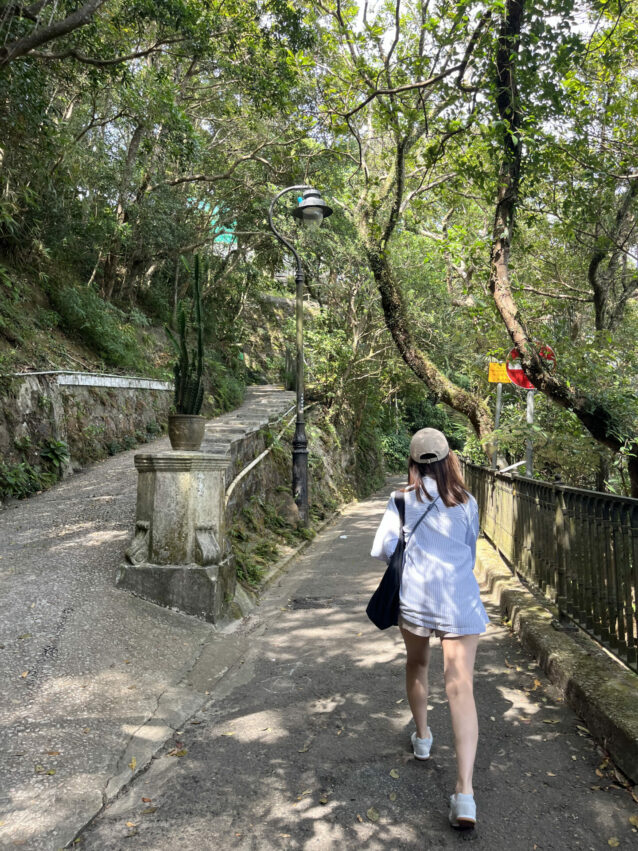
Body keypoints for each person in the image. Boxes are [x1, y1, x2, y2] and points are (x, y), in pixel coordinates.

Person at [370, 427, 489, 830]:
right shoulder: (468, 502)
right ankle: (465, 793)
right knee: (460, 687)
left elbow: (385, 550)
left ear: (412, 462)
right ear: (447, 459)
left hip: (417, 599)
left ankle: (423, 738)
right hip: (460, 601)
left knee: (417, 665)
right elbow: (470, 550)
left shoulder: (401, 500)